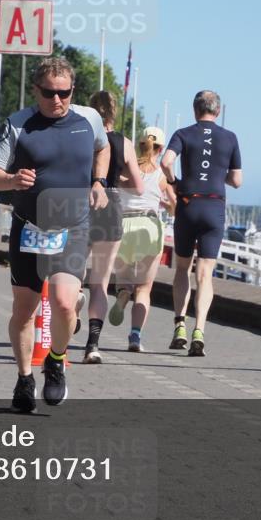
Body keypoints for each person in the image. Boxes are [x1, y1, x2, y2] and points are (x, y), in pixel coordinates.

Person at [0, 57, 109, 410]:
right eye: (50, 93)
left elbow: (104, 147)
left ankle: (56, 360)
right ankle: (25, 379)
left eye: (65, 93)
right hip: (29, 226)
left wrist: (98, 181)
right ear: (35, 90)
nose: (58, 100)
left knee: (65, 302)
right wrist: (10, 180)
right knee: (24, 309)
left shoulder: (89, 120)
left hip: (73, 226)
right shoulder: (19, 124)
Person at [161, 90, 242, 356]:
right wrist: (221, 177)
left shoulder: (183, 133)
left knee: (182, 269)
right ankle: (200, 330)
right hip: (214, 206)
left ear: (195, 110)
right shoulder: (230, 138)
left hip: (188, 205)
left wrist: (174, 182)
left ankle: (179, 325)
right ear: (217, 111)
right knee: (205, 273)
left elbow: (166, 161)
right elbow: (237, 180)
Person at [81, 91, 143, 364]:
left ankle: (72, 306)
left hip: (81, 204)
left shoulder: (81, 136)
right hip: (111, 206)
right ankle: (92, 345)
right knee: (101, 282)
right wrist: (117, 179)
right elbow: (139, 187)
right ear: (114, 113)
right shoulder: (125, 143)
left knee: (73, 275)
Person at [110, 126, 177, 352]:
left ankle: (121, 295)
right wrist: (166, 204)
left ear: (139, 145)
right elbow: (174, 206)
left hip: (124, 227)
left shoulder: (124, 171)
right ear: (160, 148)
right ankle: (135, 336)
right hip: (149, 228)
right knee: (144, 288)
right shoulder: (161, 175)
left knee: (125, 281)